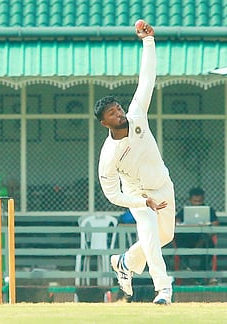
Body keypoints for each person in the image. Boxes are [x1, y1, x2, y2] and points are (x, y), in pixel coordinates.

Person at [94, 20, 175, 305]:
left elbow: (147, 79)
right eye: (113, 114)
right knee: (152, 241)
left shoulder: (137, 114)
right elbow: (112, 193)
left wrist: (148, 41)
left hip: (163, 184)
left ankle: (125, 262)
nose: (119, 114)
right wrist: (141, 202)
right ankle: (163, 290)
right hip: (139, 194)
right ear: (105, 123)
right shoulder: (108, 155)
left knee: (165, 235)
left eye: (118, 108)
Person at [175, 187, 219, 284]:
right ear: (190, 200)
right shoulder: (185, 210)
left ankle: (200, 276)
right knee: (179, 238)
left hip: (203, 239)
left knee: (209, 244)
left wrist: (207, 227)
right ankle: (186, 267)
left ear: (203, 199)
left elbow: (216, 224)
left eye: (199, 201)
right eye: (195, 201)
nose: (197, 203)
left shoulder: (209, 210)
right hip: (188, 238)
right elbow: (176, 221)